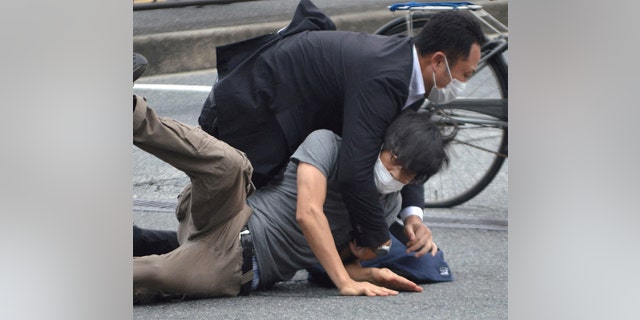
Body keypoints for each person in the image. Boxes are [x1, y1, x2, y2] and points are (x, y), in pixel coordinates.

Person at [197, 0, 486, 256]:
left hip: (273, 114)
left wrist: (413, 216)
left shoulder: (408, 71)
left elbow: (408, 144)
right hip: (241, 112)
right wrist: (378, 242)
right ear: (437, 61)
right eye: (464, 74)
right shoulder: (386, 79)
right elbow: (353, 171)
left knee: (230, 241)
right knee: (222, 237)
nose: (462, 85)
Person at [132, 92, 452, 304]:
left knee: (152, 276)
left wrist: (366, 271)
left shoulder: (388, 205)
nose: (395, 174)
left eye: (408, 175)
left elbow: (327, 267)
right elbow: (308, 213)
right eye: (394, 159)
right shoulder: (328, 145)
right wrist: (345, 281)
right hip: (229, 213)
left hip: (234, 267)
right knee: (230, 165)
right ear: (382, 143)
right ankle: (132, 112)